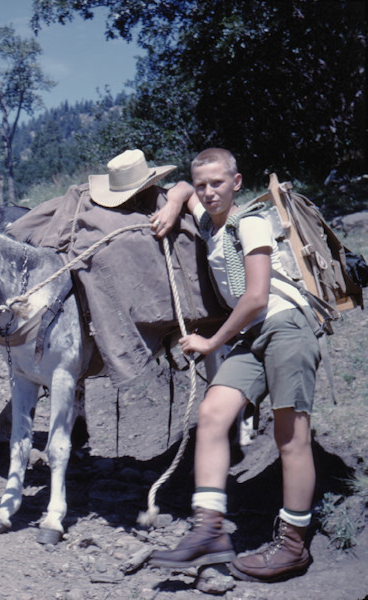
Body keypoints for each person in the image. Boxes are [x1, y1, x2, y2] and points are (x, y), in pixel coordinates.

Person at [146, 148, 318, 582]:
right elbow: (182, 190)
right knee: (212, 415)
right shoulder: (208, 220)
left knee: (290, 436)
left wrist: (211, 342)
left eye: (216, 184)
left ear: (236, 183)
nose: (207, 192)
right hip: (253, 335)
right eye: (202, 184)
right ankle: (209, 531)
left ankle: (293, 545)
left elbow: (257, 296)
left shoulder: (252, 222)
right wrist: (173, 201)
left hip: (284, 326)